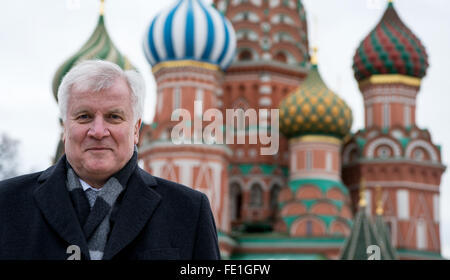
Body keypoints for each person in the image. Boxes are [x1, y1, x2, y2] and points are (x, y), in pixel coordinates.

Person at [0, 60, 221, 260]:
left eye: (114, 117)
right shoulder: (8, 204)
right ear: (64, 128)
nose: (98, 131)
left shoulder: (188, 211)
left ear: (136, 129)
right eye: (84, 116)